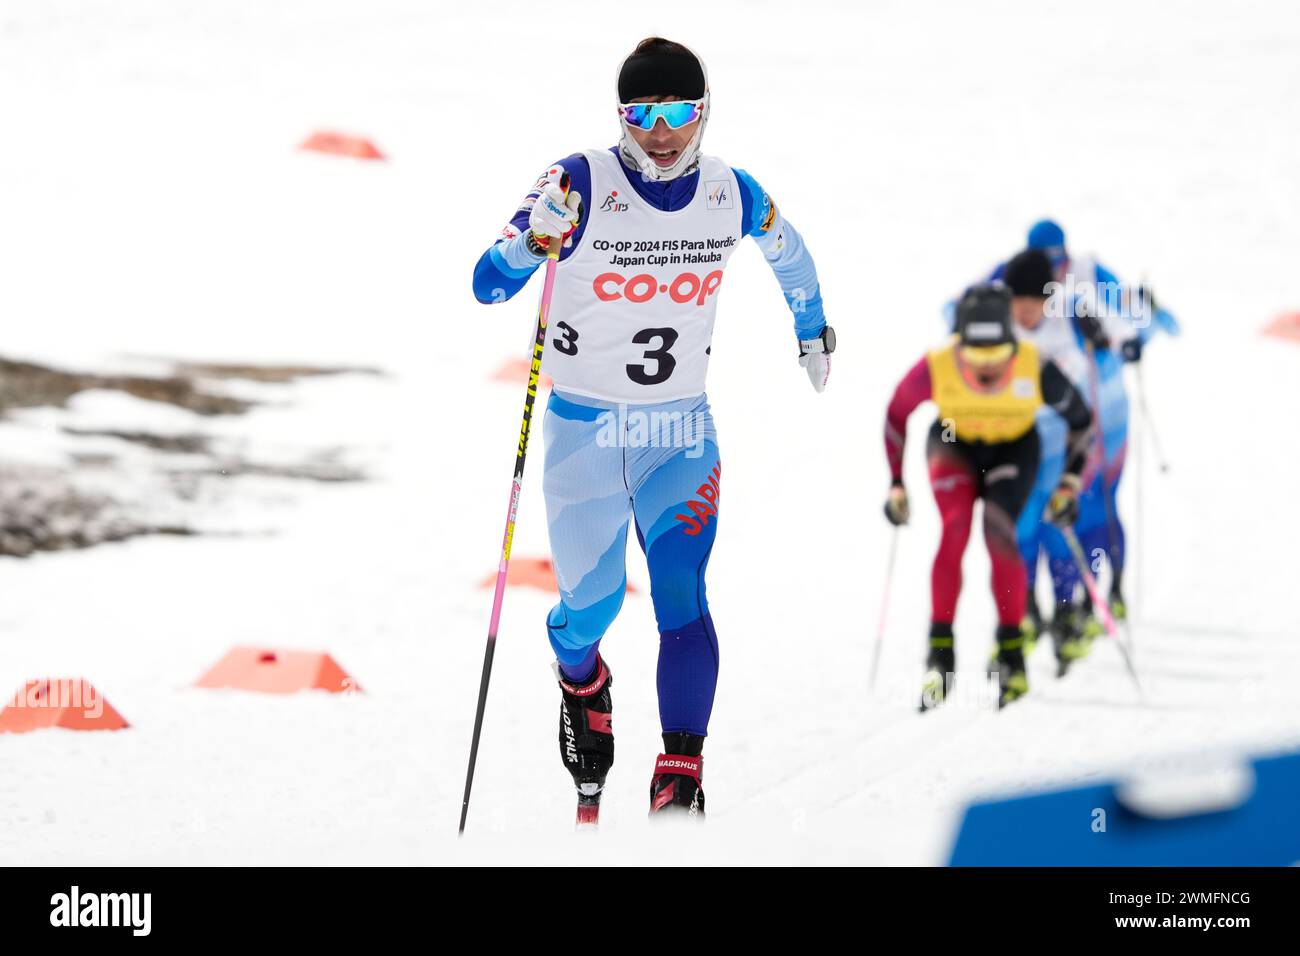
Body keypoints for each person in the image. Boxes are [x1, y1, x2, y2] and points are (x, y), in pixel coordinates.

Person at [472, 37, 834, 822]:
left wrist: (813, 328)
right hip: (582, 432)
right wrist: (531, 241)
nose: (661, 132)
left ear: (702, 114)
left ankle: (680, 771)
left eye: (678, 113)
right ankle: (581, 678)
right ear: (621, 117)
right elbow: (487, 286)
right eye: (643, 116)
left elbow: (791, 254)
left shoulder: (730, 192)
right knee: (590, 610)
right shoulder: (576, 179)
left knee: (680, 589)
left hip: (679, 431)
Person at [883, 284, 1092, 709]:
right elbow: (897, 414)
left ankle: (1011, 654)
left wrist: (1069, 481)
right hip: (953, 444)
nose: (986, 372)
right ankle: (940, 656)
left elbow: (1081, 420)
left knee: (998, 533)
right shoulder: (938, 364)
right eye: (975, 359)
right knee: (955, 530)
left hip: (1014, 448)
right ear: (959, 345)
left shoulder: (1035, 365)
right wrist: (896, 481)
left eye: (998, 358)